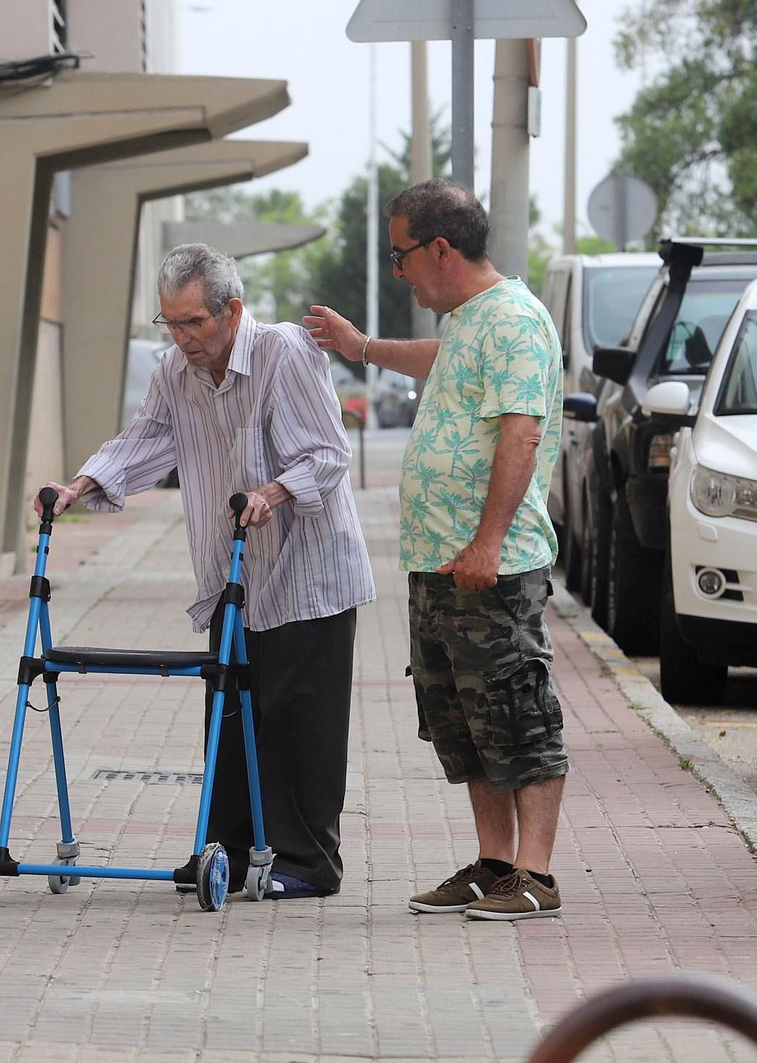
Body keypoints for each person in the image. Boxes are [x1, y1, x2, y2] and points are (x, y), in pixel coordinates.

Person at [38, 243, 375, 899]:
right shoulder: (175, 372)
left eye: (193, 321)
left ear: (232, 311)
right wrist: (78, 487)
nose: (182, 337)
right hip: (234, 571)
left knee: (297, 718)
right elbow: (143, 440)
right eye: (170, 322)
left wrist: (271, 492)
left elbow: (328, 455)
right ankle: (228, 853)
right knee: (229, 710)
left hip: (308, 569)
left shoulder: (284, 353)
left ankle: (306, 862)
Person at [303, 179, 567, 921]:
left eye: (401, 255)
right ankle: (494, 864)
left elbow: (522, 434)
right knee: (465, 720)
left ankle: (536, 876)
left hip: (493, 568)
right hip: (441, 564)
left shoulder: (514, 319)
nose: (398, 271)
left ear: (441, 249)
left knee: (518, 714)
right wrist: (362, 349)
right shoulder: (469, 321)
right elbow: (441, 359)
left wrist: (488, 542)